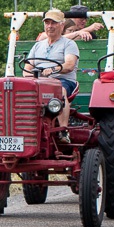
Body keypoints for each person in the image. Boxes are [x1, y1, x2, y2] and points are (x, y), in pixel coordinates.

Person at [24, 9, 79, 143]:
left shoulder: (69, 44)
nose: (50, 26)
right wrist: (32, 75)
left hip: (62, 80)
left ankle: (63, 131)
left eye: (53, 23)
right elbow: (27, 69)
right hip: (39, 81)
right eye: (47, 23)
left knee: (60, 91)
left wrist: (53, 70)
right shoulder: (38, 46)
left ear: (62, 25)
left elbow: (69, 65)